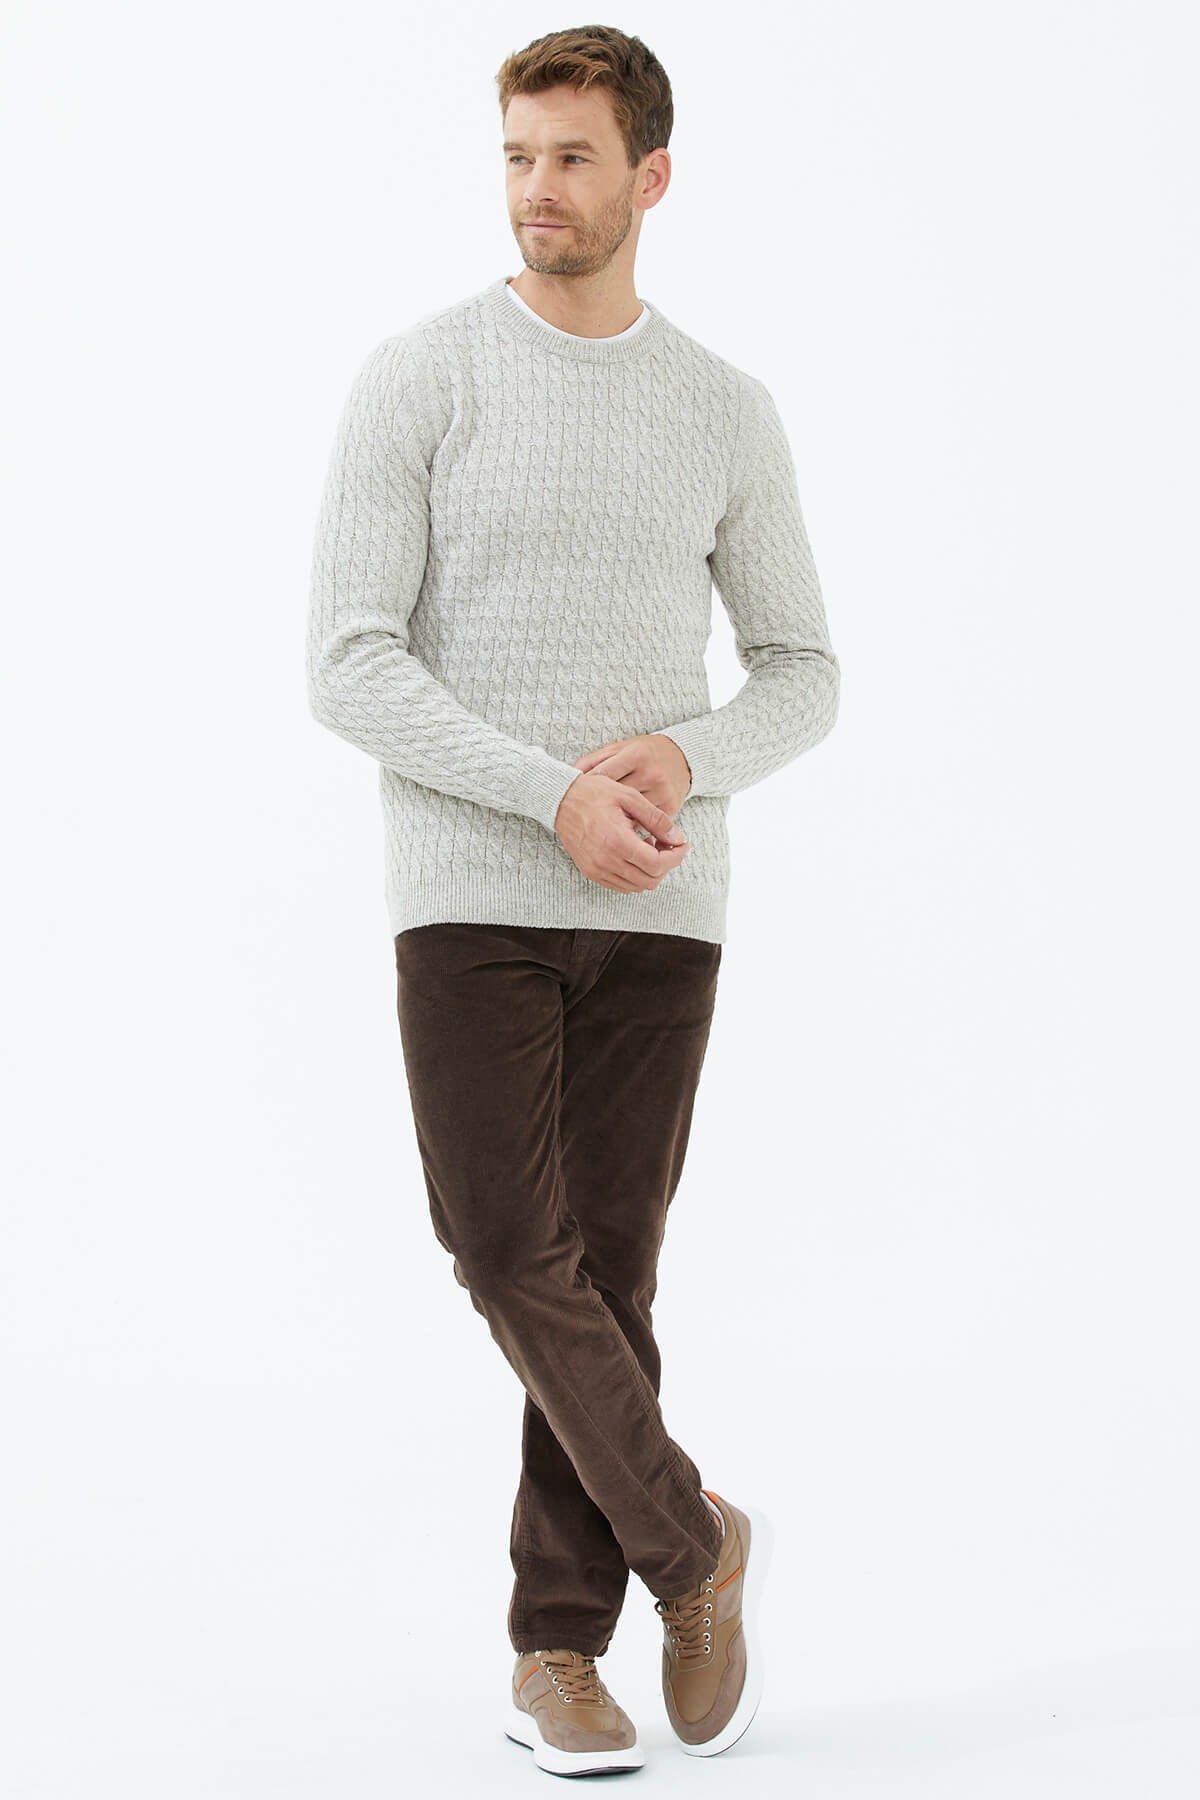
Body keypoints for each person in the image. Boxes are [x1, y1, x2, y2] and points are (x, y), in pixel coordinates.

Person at [306, 22, 840, 1779]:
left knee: (607, 1277)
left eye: (574, 158)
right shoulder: (423, 376)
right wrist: (554, 797)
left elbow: (803, 671)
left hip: (664, 912)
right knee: (499, 1247)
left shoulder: (725, 409)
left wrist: (683, 758)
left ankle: (557, 1653)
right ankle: (696, 1545)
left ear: (651, 176)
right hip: (469, 889)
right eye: (520, 157)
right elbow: (348, 661)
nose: (539, 189)